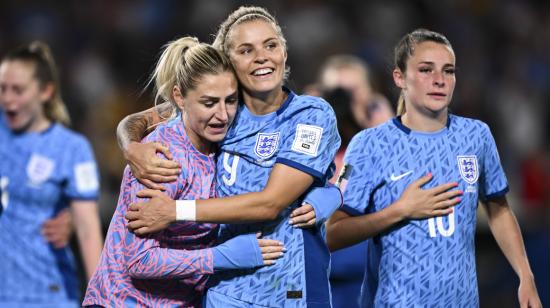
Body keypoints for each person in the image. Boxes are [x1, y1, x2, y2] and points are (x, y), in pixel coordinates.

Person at [117, 6, 344, 307]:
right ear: (229, 63)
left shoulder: (309, 116)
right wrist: (130, 145)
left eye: (271, 45)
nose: (262, 56)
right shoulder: (220, 113)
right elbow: (142, 119)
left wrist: (176, 210)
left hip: (292, 288)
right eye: (246, 50)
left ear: (284, 54)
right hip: (226, 292)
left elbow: (270, 203)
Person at [326, 29, 542, 307]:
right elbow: (332, 233)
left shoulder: (476, 136)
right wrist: (400, 210)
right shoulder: (370, 144)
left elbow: (498, 208)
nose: (439, 80)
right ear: (399, 77)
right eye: (426, 70)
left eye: (448, 70)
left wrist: (526, 275)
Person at [83, 37, 287, 307]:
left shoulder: (226, 141)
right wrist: (220, 257)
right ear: (179, 98)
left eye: (230, 101)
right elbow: (139, 260)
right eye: (209, 102)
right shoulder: (162, 158)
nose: (223, 114)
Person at [0, 41, 103, 307]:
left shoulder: (70, 149)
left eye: (18, 90)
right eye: (3, 89)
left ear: (45, 91)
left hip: (47, 294)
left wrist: (100, 299)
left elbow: (88, 230)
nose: (8, 98)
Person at [317, 55, 395, 308]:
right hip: (324, 272)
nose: (346, 101)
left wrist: (388, 131)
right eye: (337, 92)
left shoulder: (384, 138)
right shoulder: (311, 144)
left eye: (354, 91)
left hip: (375, 270)